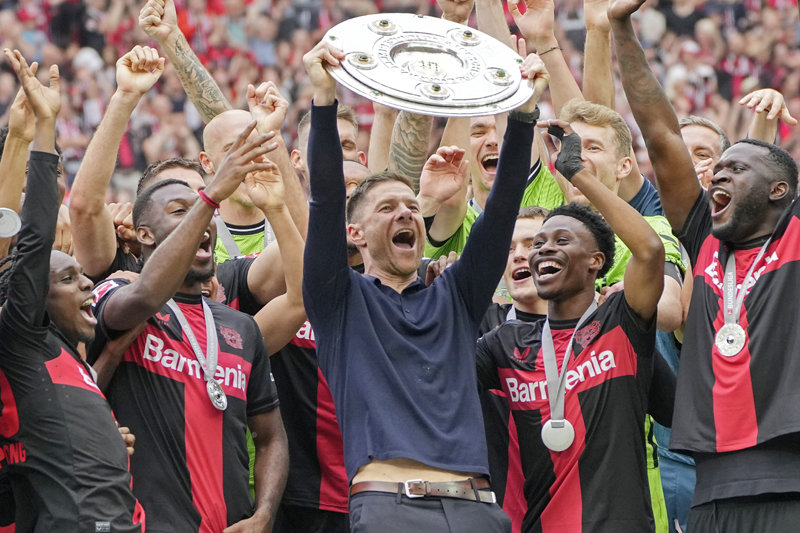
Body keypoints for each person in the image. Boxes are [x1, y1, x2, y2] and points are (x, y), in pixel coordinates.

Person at [302, 36, 548, 531]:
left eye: (412, 206)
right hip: (391, 507)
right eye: (388, 208)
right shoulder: (337, 299)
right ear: (355, 234)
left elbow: (499, 216)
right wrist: (324, 101)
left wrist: (523, 115)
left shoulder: (454, 295)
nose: (406, 214)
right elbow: (327, 199)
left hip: (478, 509)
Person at [610, 0, 800, 530]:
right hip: (711, 486)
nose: (717, 176)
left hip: (791, 479)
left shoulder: (797, 234)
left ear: (781, 191)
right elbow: (659, 132)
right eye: (716, 170)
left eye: (735, 168)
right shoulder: (703, 240)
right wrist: (621, 29)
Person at [88, 122, 292, 532]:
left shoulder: (241, 328)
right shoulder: (117, 294)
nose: (203, 218)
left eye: (203, 211)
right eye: (180, 211)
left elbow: (270, 437)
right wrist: (210, 194)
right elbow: (146, 295)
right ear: (143, 234)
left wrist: (264, 514)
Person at [476, 119, 664, 532]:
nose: (542, 248)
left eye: (561, 240)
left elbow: (649, 251)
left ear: (596, 261)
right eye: (539, 242)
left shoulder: (620, 322)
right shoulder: (502, 346)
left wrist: (577, 172)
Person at [0, 48, 144, 532]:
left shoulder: (63, 346)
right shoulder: (19, 327)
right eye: (67, 277)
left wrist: (97, 434)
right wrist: (36, 131)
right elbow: (31, 238)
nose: (87, 282)